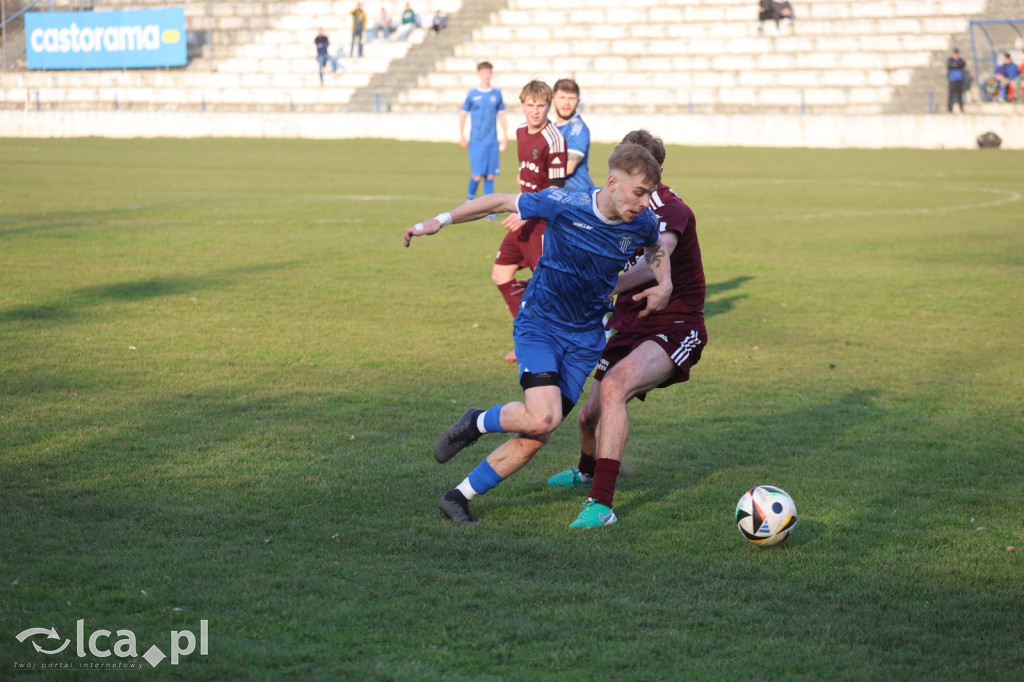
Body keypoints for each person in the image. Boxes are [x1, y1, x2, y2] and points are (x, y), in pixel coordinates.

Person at [403, 142, 674, 527]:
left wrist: (663, 283)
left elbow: (654, 250)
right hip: (541, 326)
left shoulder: (642, 221)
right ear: (613, 182)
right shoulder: (566, 203)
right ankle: (477, 422)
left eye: (651, 194)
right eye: (640, 192)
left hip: (584, 342)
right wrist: (440, 220)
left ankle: (457, 496)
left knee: (536, 433)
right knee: (544, 418)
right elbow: (499, 201)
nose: (647, 203)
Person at [547, 130, 708, 529]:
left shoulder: (671, 211)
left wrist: (606, 285)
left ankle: (601, 505)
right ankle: (586, 471)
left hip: (676, 324)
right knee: (587, 417)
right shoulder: (619, 207)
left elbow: (658, 257)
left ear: (655, 174)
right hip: (631, 324)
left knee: (617, 385)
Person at [493, 79, 567, 363]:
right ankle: (526, 338)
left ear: (549, 106)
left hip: (543, 223)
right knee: (501, 274)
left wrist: (526, 211)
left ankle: (570, 337)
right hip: (523, 217)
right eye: (530, 105)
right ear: (522, 105)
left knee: (549, 288)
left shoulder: (555, 139)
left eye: (541, 106)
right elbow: (529, 173)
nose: (535, 111)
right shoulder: (521, 132)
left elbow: (557, 191)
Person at [459, 62, 509, 206]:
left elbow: (502, 116)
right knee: (476, 175)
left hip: (492, 141)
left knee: (490, 175)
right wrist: (462, 135)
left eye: (488, 72)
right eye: (483, 72)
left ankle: (489, 209)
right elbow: (462, 114)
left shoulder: (496, 93)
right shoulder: (472, 94)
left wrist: (504, 138)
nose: (486, 76)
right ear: (479, 74)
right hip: (476, 140)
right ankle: (469, 202)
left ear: (491, 74)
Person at [552, 78, 594, 192]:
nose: (566, 103)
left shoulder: (578, 129)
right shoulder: (551, 128)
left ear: (578, 102)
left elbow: (568, 168)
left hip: (580, 197)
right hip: (560, 196)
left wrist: (532, 177)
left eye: (571, 98)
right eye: (562, 97)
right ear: (553, 100)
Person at [947, 47, 966, 113]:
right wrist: (956, 65)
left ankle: (961, 108)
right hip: (953, 80)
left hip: (959, 80)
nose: (956, 55)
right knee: (951, 95)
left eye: (957, 53)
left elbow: (962, 64)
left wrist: (956, 65)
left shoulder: (961, 60)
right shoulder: (950, 60)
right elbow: (950, 66)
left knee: (959, 95)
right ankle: (949, 109)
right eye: (955, 53)